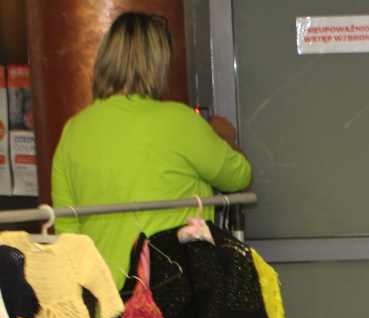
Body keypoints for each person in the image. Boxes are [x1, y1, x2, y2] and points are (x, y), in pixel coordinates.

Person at [51, 12, 251, 286]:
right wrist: (223, 137)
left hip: (105, 299)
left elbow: (66, 231)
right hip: (173, 295)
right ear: (158, 63)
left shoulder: (74, 131)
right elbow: (239, 177)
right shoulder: (180, 122)